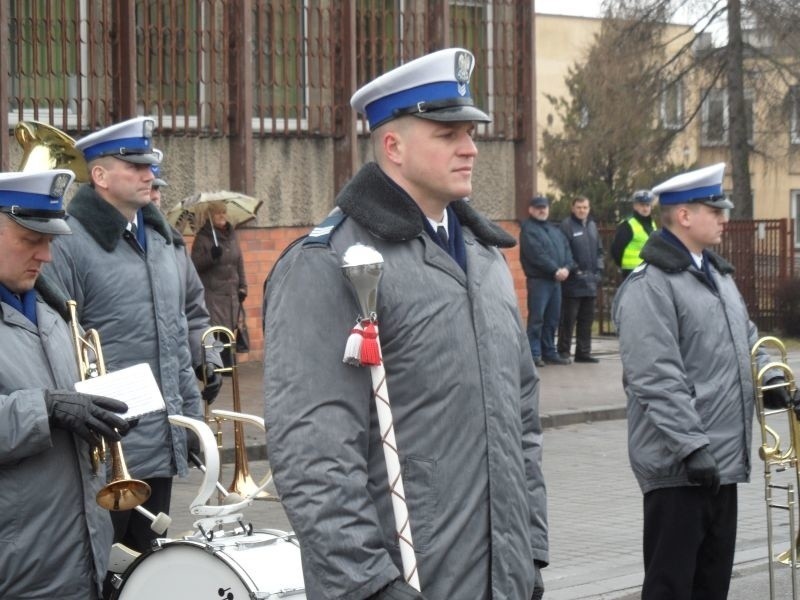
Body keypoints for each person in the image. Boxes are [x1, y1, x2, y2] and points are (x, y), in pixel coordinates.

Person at [263, 48, 548, 600]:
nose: (469, 148)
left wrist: (528, 547)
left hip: (501, 576)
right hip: (405, 579)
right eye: (447, 134)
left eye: (470, 132)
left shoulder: (485, 258)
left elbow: (522, 421)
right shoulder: (329, 263)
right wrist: (371, 585)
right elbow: (313, 451)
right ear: (392, 146)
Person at [612, 163, 795, 600]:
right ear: (683, 216)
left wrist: (775, 383)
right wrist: (692, 447)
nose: (724, 218)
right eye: (715, 209)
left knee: (711, 585)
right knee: (672, 587)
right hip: (681, 467)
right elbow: (654, 377)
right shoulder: (650, 285)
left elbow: (749, 340)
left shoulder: (718, 277)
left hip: (721, 463)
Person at [41, 117, 204, 567]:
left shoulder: (159, 239)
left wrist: (189, 418)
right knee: (100, 569)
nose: (148, 175)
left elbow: (173, 337)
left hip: (161, 438)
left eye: (148, 165)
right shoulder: (69, 244)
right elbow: (58, 342)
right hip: (104, 446)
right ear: (100, 176)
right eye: (134, 167)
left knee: (148, 570)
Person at [0, 170, 131, 599]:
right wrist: (47, 408)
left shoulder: (53, 314)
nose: (47, 256)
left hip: (76, 557)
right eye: (30, 241)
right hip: (19, 568)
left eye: (50, 241)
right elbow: (48, 405)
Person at [150, 161, 223, 403]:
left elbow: (195, 316)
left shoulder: (174, 245)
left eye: (158, 188)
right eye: (149, 187)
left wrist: (208, 360)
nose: (155, 196)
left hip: (182, 397)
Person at [519, 194, 575, 367]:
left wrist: (567, 267)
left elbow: (567, 251)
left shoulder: (554, 230)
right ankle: (534, 354)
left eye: (544, 207)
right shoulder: (528, 230)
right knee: (537, 319)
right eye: (538, 208)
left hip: (555, 281)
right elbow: (537, 255)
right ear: (531, 210)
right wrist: (555, 270)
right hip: (539, 281)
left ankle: (549, 352)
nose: (542, 210)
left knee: (552, 319)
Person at [191, 200, 248, 366]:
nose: (222, 215)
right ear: (210, 216)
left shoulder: (232, 235)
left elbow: (239, 262)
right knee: (218, 330)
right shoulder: (203, 238)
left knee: (230, 329)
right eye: (218, 213)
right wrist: (211, 256)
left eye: (224, 212)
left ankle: (229, 365)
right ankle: (218, 365)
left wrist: (243, 285)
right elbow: (194, 265)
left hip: (232, 293)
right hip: (214, 294)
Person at [557, 196, 603, 363]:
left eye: (585, 207)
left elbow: (599, 251)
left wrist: (599, 271)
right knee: (568, 320)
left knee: (586, 320)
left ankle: (583, 353)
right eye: (579, 207)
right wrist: (575, 270)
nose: (582, 210)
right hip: (573, 282)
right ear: (572, 208)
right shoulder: (566, 226)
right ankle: (563, 352)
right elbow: (564, 251)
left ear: (589, 209)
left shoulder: (591, 226)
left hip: (591, 282)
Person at [610, 189, 657, 280]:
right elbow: (616, 249)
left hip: (648, 270)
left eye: (648, 205)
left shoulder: (652, 224)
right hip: (631, 271)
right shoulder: (628, 224)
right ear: (635, 206)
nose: (645, 208)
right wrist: (622, 265)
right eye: (642, 205)